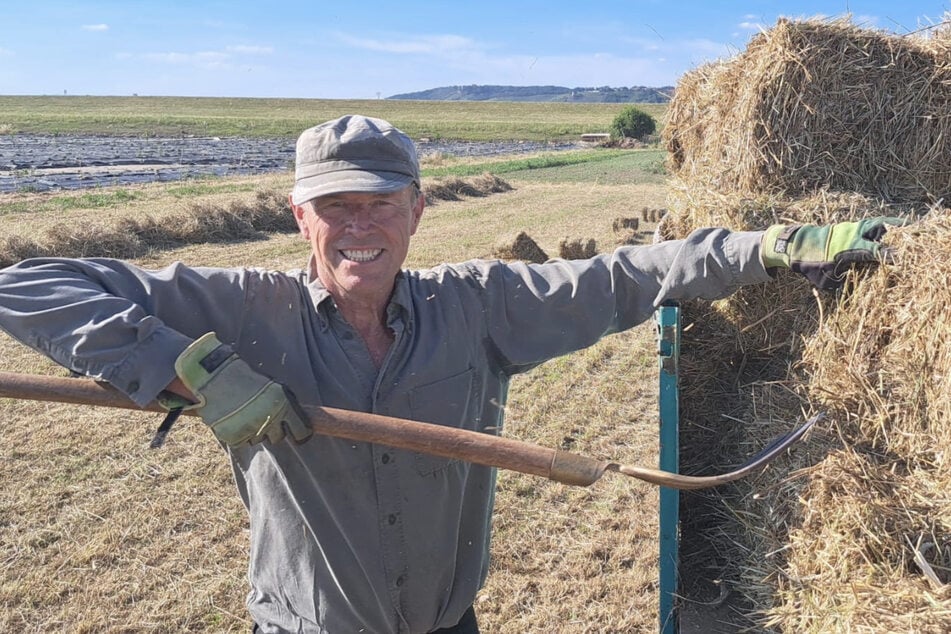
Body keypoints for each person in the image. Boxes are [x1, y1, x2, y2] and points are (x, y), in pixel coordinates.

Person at [0, 114, 903, 634]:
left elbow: (626, 275)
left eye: (380, 203)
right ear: (298, 214)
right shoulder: (241, 309)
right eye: (334, 206)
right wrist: (182, 371)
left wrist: (776, 246)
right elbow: (27, 282)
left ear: (419, 208)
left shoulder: (477, 307)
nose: (359, 226)